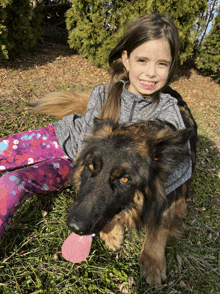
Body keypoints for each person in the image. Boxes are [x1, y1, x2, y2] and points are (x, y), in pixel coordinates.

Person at [0, 12, 194, 238]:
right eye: (142, 60)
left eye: (162, 64)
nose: (151, 73)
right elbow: (84, 145)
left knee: (12, 181)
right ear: (126, 58)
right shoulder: (103, 93)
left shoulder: (168, 111)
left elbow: (183, 167)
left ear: (171, 68)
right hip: (63, 139)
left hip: (74, 168)